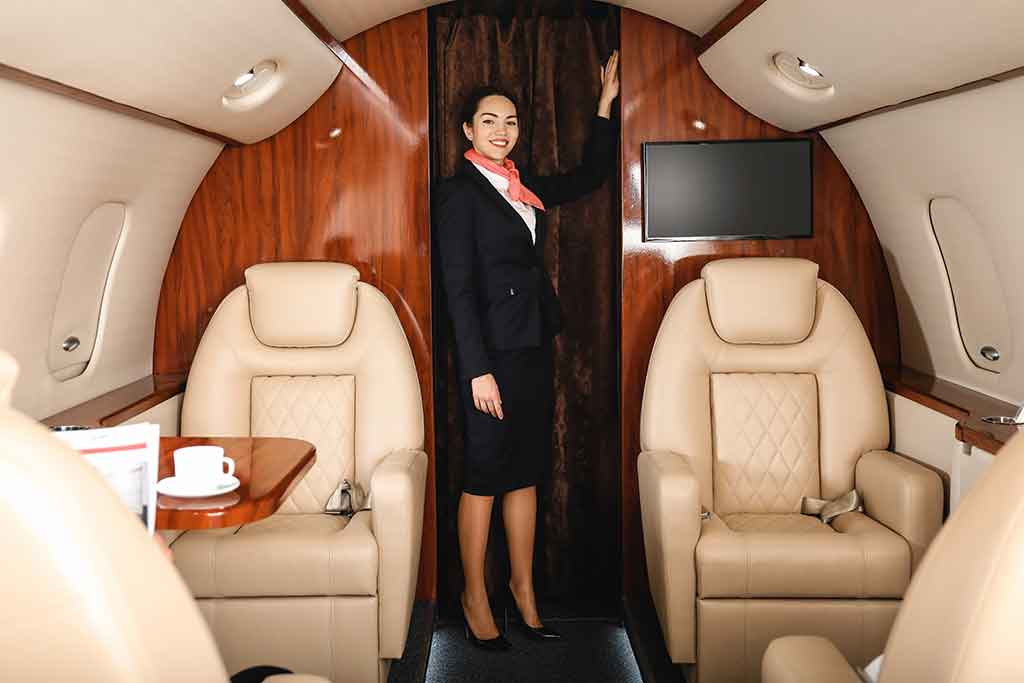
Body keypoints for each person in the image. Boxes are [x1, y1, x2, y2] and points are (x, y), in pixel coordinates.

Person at [435, 50, 620, 650]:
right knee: (485, 474)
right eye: (489, 120)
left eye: (510, 122)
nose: (501, 131)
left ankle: (523, 588)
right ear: (468, 129)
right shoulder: (457, 195)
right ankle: (474, 595)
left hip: (533, 349)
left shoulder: (523, 185)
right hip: (489, 359)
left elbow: (590, 177)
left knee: (527, 472)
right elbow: (458, 290)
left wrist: (603, 108)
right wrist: (477, 371)